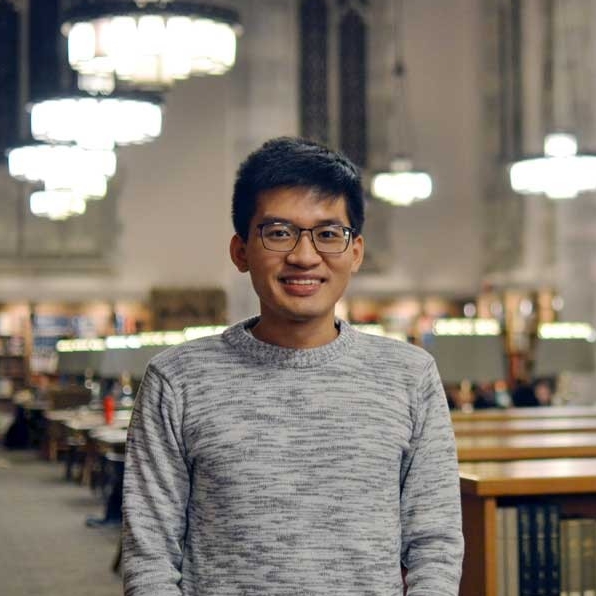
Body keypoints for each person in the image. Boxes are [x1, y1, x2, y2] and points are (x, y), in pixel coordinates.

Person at [122, 136, 464, 596]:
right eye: (279, 232)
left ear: (356, 252)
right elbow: (149, 557)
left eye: (328, 234)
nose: (304, 256)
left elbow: (434, 545)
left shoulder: (410, 376)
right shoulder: (176, 379)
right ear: (241, 251)